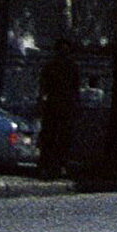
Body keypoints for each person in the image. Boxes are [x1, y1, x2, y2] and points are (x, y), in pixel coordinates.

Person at [38, 37, 82, 179]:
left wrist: (75, 104)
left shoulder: (71, 67)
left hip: (65, 105)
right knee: (50, 136)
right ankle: (47, 165)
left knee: (63, 136)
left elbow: (75, 88)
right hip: (54, 105)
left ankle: (59, 164)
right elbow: (43, 86)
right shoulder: (51, 67)